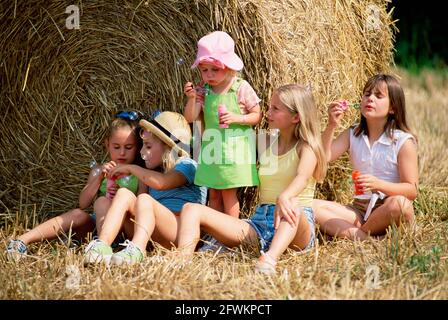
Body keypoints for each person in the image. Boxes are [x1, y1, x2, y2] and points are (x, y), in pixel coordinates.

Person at [177, 84, 327, 275]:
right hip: (260, 223)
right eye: (269, 106)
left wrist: (285, 196)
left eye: (275, 108)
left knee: (293, 206)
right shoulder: (265, 141)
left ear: (296, 117)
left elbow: (302, 177)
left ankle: (269, 259)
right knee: (192, 209)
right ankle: (181, 260)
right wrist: (201, 101)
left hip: (296, 226)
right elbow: (224, 141)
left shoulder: (307, 147)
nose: (267, 112)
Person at [6, 111, 146, 260]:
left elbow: (141, 207)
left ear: (137, 147)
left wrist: (120, 195)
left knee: (103, 201)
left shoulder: (139, 174)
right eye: (116, 147)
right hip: (96, 226)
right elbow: (83, 203)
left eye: (128, 147)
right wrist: (99, 179)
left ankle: (104, 245)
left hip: (124, 227)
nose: (122, 152)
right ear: (107, 144)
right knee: (78, 213)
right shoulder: (99, 171)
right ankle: (22, 241)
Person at [83, 111, 207, 265]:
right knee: (124, 194)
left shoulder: (187, 165)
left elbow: (162, 182)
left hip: (179, 233)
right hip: (153, 234)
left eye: (148, 146)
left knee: (144, 199)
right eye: (142, 146)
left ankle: (138, 250)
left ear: (168, 146)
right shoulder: (153, 173)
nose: (142, 152)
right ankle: (102, 245)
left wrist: (131, 168)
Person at [313, 74, 418, 241]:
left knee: (401, 205)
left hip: (387, 206)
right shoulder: (353, 134)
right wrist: (331, 125)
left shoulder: (403, 142)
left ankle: (352, 233)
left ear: (393, 108)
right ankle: (367, 237)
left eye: (378, 96)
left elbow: (411, 191)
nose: (370, 99)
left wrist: (379, 185)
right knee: (309, 207)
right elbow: (324, 157)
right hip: (359, 210)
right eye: (367, 94)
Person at [183, 31, 261, 218]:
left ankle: (231, 233)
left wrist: (237, 118)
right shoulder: (204, 90)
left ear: (228, 67)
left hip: (233, 151)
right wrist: (192, 98)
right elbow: (190, 117)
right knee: (214, 193)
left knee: (227, 192)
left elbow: (256, 115)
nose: (209, 75)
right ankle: (215, 233)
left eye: (215, 69)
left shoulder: (240, 87)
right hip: (213, 149)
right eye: (204, 70)